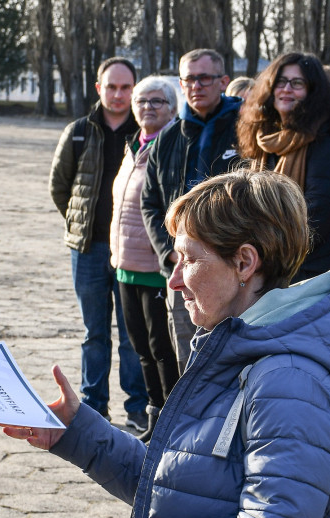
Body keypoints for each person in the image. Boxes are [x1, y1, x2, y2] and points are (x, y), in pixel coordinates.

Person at [4, 170, 330, 518]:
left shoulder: (289, 382)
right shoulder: (238, 353)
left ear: (245, 263)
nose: (174, 281)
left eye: (189, 260)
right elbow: (188, 487)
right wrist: (78, 433)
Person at [51, 56, 150, 430]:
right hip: (89, 250)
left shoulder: (147, 132)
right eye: (112, 86)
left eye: (126, 87)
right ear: (99, 88)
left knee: (131, 334)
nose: (119, 94)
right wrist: (82, 225)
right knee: (94, 333)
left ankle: (138, 407)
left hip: (132, 252)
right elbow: (60, 186)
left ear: (135, 89)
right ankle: (93, 406)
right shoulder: (78, 131)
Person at [142, 48, 243, 375]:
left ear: (223, 82)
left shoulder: (245, 131)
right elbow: (151, 202)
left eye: (204, 78)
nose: (196, 86)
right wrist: (170, 255)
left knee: (234, 361)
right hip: (182, 271)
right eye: (189, 79)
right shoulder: (168, 138)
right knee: (190, 362)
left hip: (233, 272)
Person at [236, 52, 330, 282]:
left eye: (297, 83)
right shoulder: (264, 137)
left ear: (313, 91)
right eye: (280, 82)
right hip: (265, 265)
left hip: (308, 269)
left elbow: (318, 214)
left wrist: (267, 249)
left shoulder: (327, 139)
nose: (287, 89)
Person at [110, 76, 181, 439]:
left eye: (157, 101)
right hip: (125, 266)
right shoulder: (132, 146)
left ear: (172, 108)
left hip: (156, 266)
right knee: (140, 348)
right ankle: (154, 417)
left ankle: (171, 420)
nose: (147, 108)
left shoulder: (172, 146)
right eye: (142, 101)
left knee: (162, 349)